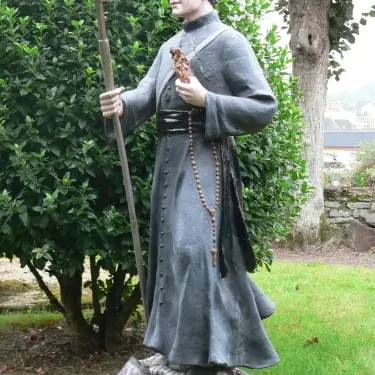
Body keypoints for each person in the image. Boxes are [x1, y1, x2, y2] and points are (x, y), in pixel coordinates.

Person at [100, 0, 279, 373]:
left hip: (206, 160)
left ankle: (201, 360)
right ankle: (174, 352)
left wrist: (208, 100)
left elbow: (263, 107)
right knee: (172, 256)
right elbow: (148, 93)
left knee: (194, 250)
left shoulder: (229, 41)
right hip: (170, 159)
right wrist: (122, 105)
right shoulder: (169, 46)